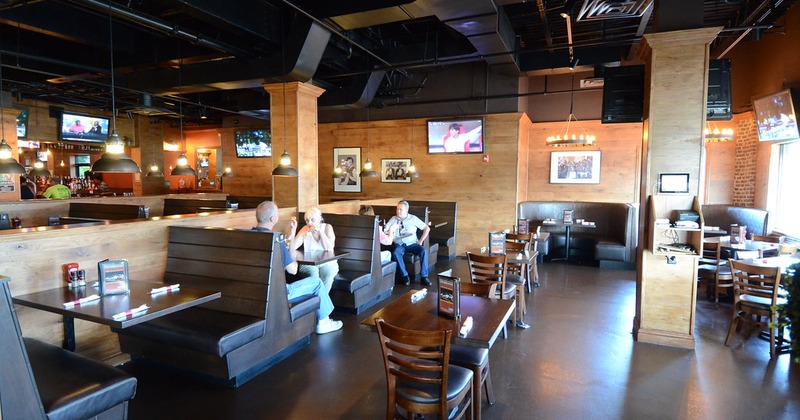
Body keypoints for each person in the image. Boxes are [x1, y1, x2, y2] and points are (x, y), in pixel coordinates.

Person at [252, 201, 343, 335]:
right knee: (317, 282)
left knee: (324, 276)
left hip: (253, 292)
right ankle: (323, 321)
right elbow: (293, 270)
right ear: (273, 219)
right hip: (278, 294)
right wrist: (291, 259)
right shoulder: (275, 240)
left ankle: (319, 314)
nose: (309, 222)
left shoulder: (245, 237)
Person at [289, 207, 339, 293]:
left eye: (312, 220)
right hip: (309, 263)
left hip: (328, 263)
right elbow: (293, 248)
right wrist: (293, 231)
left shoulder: (327, 227)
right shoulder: (305, 229)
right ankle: (318, 304)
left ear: (320, 219)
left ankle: (317, 304)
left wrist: (320, 232)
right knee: (314, 278)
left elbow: (329, 248)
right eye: (307, 220)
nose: (310, 223)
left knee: (327, 277)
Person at [384, 200, 430, 286]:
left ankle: (424, 277)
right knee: (395, 252)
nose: (398, 211)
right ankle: (405, 276)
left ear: (406, 210)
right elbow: (385, 231)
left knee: (423, 251)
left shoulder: (413, 218)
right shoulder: (393, 219)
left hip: (412, 244)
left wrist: (421, 241)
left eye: (400, 209)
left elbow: (426, 228)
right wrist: (391, 230)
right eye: (397, 209)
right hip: (400, 244)